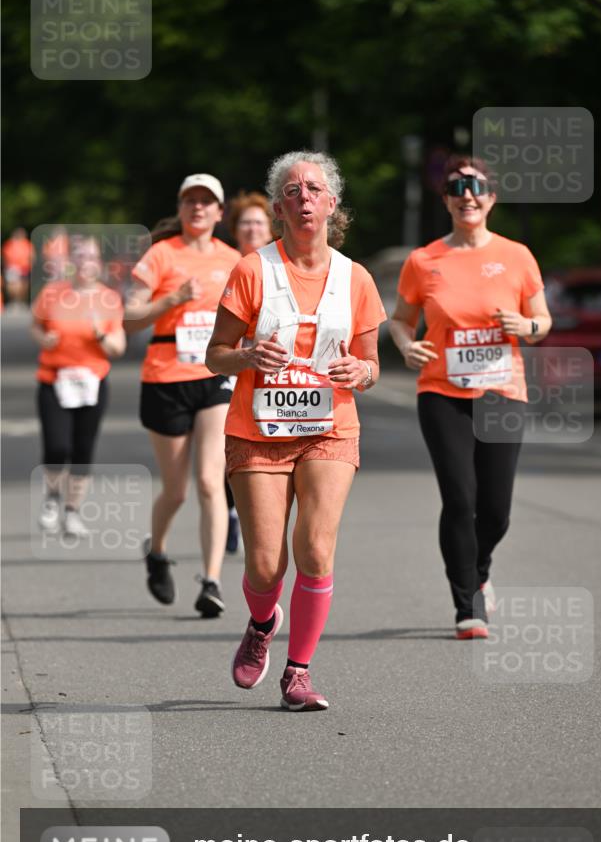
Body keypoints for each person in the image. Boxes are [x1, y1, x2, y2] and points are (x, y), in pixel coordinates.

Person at [207, 150, 385, 711]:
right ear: (279, 208)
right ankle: (262, 623)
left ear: (332, 204)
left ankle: (299, 672)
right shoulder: (252, 270)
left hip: (329, 428)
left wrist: (361, 371)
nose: (303, 197)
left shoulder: (356, 278)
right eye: (291, 190)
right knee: (265, 564)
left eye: (313, 188)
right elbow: (215, 356)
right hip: (257, 431)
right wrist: (247, 356)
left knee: (315, 548)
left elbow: (371, 365)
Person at [390, 154, 552, 640]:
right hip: (442, 391)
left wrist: (526, 327)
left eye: (476, 187)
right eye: (457, 188)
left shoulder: (517, 255)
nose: (468, 196)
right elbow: (399, 319)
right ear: (446, 200)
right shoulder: (424, 260)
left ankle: (479, 565)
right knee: (460, 498)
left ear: (492, 198)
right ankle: (467, 603)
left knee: (496, 507)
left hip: (503, 390)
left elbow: (542, 321)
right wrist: (405, 344)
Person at [124, 174, 241, 618]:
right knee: (175, 490)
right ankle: (156, 552)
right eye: (190, 201)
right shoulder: (160, 255)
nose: (198, 208)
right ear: (181, 207)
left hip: (213, 378)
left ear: (218, 211)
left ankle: (211, 581)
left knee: (212, 480)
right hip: (164, 378)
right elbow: (129, 318)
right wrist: (171, 298)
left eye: (206, 202)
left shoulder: (233, 260)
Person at [31, 235, 126, 537]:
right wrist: (43, 339)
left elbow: (118, 347)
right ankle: (52, 499)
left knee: (83, 449)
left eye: (91, 257)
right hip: (54, 378)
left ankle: (72, 512)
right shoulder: (52, 293)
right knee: (57, 446)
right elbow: (36, 324)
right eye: (80, 256)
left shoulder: (108, 298)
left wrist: (100, 334)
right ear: (71, 262)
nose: (85, 262)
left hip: (92, 382)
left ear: (99, 263)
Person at [223, 191, 274, 553]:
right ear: (235, 230)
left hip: (270, 376)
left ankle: (243, 511)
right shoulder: (225, 265)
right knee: (223, 446)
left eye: (259, 222)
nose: (253, 228)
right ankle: (230, 508)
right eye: (246, 223)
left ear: (270, 228)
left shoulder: (282, 267)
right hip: (225, 367)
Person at [3, 227, 34, 306]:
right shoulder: (9, 244)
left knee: (24, 286)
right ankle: (14, 301)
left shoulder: (27, 244)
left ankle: (21, 301)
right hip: (13, 267)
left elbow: (32, 255)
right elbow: (5, 256)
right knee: (14, 285)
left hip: (25, 267)